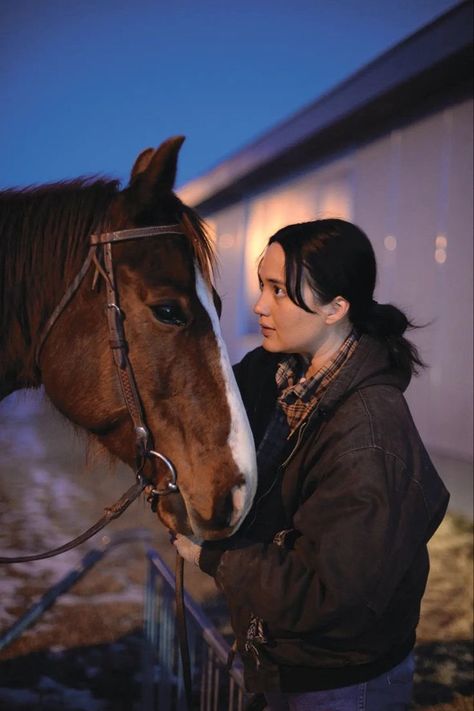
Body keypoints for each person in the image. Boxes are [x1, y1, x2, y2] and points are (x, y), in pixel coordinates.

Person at [174, 218, 449, 710]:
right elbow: (195, 414)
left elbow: (332, 596)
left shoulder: (369, 436)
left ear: (335, 308)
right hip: (284, 660)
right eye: (262, 285)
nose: (260, 304)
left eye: (279, 290)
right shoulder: (274, 374)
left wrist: (214, 555)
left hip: (341, 683)